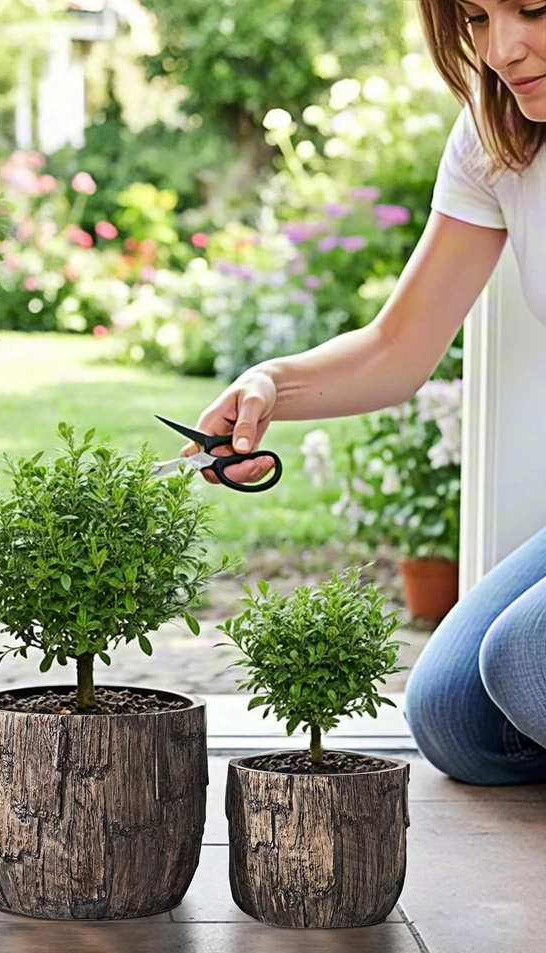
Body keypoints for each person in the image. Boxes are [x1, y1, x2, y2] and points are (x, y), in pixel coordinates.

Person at [183, 0, 546, 785]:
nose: (503, 50)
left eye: (535, 9)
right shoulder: (497, 138)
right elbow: (396, 347)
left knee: (525, 664)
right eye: (477, 19)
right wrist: (270, 385)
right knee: (454, 717)